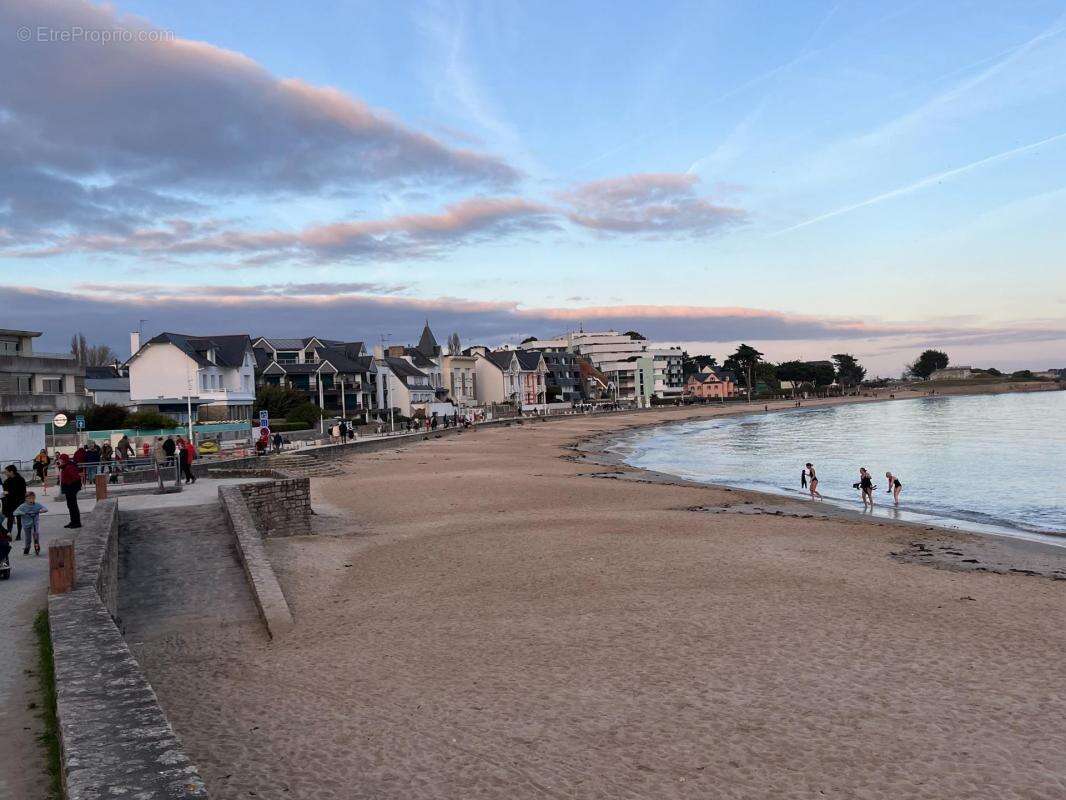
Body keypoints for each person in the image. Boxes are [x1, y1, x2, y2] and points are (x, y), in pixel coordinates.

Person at [15, 491, 47, 555]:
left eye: (32, 498)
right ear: (26, 499)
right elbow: (15, 512)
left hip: (34, 523)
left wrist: (42, 510)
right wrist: (22, 513)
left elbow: (45, 509)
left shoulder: (37, 505)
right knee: (28, 538)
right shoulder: (23, 506)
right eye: (29, 498)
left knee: (35, 534)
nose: (31, 499)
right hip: (26, 524)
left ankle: (37, 545)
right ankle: (27, 548)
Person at [2, 465, 28, 540]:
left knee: (19, 519)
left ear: (11, 472)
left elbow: (23, 492)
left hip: (19, 502)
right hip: (10, 503)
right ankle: (9, 534)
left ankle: (19, 534)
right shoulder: (6, 481)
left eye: (6, 472)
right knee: (10, 519)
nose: (5, 473)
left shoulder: (20, 480)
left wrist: (9, 493)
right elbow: (5, 492)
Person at [58, 455, 82, 529]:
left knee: (73, 506)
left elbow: (76, 477)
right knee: (70, 506)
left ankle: (77, 522)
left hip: (71, 488)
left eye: (61, 461)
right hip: (68, 488)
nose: (60, 462)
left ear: (65, 460)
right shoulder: (65, 466)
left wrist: (69, 483)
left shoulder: (69, 467)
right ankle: (73, 521)